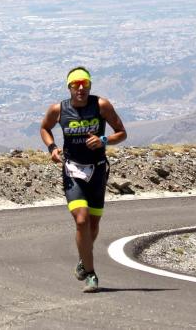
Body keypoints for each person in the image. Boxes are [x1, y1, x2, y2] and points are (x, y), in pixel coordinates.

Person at [39, 66, 127, 292]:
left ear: (90, 86)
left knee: (93, 225)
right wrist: (52, 148)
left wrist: (104, 139)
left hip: (97, 171)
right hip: (73, 170)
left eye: (85, 84)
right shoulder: (58, 109)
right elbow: (44, 128)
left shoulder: (101, 105)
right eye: (75, 84)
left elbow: (121, 133)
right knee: (81, 220)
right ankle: (91, 274)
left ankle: (82, 259)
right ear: (68, 87)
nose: (80, 89)